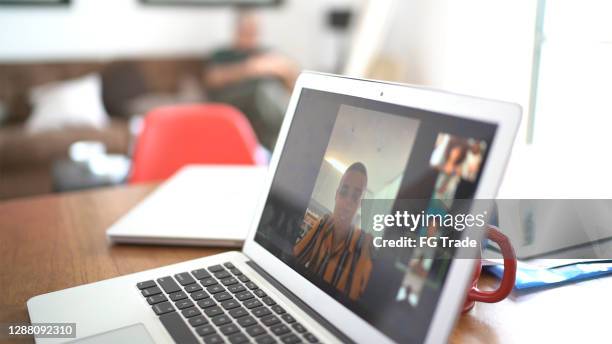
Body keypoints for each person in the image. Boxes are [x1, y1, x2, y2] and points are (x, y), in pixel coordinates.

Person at [203, 9, 298, 150]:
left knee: (268, 92)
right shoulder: (223, 54)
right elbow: (212, 79)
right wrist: (249, 68)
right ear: (237, 31)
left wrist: (281, 68)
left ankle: (286, 135)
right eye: (245, 31)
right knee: (261, 89)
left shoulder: (267, 52)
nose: (249, 35)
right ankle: (291, 130)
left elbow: (293, 81)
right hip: (234, 99)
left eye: (253, 31)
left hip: (265, 105)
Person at [293, 162, 373, 300]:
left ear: (360, 204)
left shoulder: (365, 245)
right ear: (336, 195)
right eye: (344, 192)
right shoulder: (323, 224)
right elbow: (294, 259)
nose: (347, 201)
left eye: (355, 197)